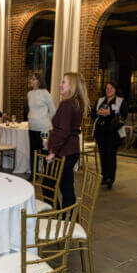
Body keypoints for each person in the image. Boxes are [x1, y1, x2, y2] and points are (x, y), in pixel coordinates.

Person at [47, 72, 88, 209]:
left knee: (49, 184)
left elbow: (63, 132)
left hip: (64, 151)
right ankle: (68, 217)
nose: (60, 85)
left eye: (63, 82)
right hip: (71, 150)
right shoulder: (76, 102)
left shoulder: (67, 103)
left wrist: (53, 151)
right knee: (66, 187)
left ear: (72, 86)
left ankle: (57, 215)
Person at [92, 82, 127, 189]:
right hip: (100, 132)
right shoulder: (100, 100)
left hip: (114, 133)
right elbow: (92, 114)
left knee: (111, 154)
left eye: (111, 88)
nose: (109, 90)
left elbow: (124, 115)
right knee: (103, 154)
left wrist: (109, 113)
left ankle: (110, 178)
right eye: (107, 88)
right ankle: (104, 176)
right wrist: (98, 113)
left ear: (115, 89)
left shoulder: (120, 101)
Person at [26, 71, 55, 161]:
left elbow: (53, 111)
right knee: (32, 153)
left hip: (43, 129)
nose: (31, 80)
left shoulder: (45, 93)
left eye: (33, 79)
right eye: (31, 79)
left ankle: (47, 170)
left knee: (45, 151)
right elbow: (32, 109)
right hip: (32, 127)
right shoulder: (29, 94)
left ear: (39, 81)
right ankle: (33, 171)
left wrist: (45, 120)